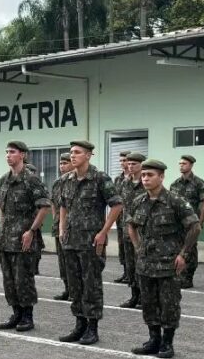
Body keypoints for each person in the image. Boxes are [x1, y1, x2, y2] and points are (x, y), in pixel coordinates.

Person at [128, 159, 201, 359]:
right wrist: (137, 247)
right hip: (146, 263)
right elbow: (131, 225)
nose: (145, 179)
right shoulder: (138, 202)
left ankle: (167, 343)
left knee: (169, 304)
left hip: (168, 263)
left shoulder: (175, 201)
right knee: (149, 303)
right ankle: (153, 340)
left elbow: (195, 227)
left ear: (161, 177)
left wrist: (183, 254)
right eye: (143, 175)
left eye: (150, 175)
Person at [58, 140, 122, 345]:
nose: (73, 156)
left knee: (91, 285)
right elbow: (63, 206)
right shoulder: (67, 179)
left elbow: (117, 205)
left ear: (88, 155)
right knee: (75, 285)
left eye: (77, 152)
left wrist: (104, 232)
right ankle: (79, 325)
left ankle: (92, 328)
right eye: (71, 152)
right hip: (70, 241)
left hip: (91, 242)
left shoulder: (100, 178)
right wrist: (61, 229)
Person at [0, 141, 51, 332]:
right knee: (9, 280)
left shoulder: (31, 179)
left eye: (13, 152)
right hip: (6, 238)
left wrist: (32, 231)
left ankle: (27, 316)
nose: (8, 155)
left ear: (23, 155)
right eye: (7, 152)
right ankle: (16, 313)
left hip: (23, 238)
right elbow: (2, 206)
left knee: (23, 279)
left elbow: (44, 206)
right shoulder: (4, 180)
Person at [169, 155, 204, 288]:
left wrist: (200, 221)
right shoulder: (174, 184)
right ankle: (178, 274)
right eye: (180, 163)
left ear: (191, 165)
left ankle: (188, 277)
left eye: (184, 163)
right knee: (176, 247)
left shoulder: (198, 183)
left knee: (190, 248)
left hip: (190, 222)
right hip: (176, 223)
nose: (181, 166)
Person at [119, 152, 146, 309]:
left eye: (134, 163)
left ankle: (145, 297)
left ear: (141, 165)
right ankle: (134, 295)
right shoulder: (125, 182)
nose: (130, 166)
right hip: (127, 229)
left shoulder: (146, 182)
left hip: (142, 231)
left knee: (142, 264)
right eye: (129, 163)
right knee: (130, 265)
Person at [51, 152, 73, 300]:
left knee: (72, 260)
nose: (62, 166)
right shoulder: (57, 182)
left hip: (74, 227)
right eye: (60, 163)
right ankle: (67, 288)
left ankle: (75, 290)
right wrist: (55, 218)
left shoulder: (74, 181)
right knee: (62, 260)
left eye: (65, 163)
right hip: (60, 225)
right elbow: (53, 201)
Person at [113, 150, 130, 284]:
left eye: (125, 160)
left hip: (130, 219)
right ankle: (125, 272)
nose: (123, 163)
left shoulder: (138, 177)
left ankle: (131, 274)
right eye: (121, 161)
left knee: (131, 247)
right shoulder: (118, 179)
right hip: (120, 218)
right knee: (122, 246)